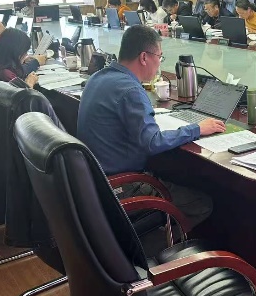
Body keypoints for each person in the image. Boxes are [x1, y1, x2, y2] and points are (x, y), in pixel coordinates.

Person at [77, 25, 224, 226]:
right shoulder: (130, 90)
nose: (159, 63)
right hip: (122, 186)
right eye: (159, 57)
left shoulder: (98, 78)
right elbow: (152, 143)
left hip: (95, 183)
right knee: (201, 203)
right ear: (144, 57)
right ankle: (151, 246)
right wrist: (197, 128)